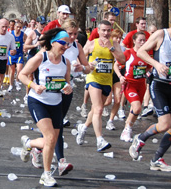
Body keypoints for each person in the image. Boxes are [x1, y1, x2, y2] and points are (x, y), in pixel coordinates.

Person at [130, 9, 171, 172]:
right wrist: (156, 64)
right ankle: (140, 138)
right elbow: (141, 51)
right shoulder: (161, 35)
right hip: (158, 84)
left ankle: (157, 159)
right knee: (164, 124)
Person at [18, 28, 73, 187]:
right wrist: (34, 86)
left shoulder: (65, 62)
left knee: (52, 140)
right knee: (50, 138)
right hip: (37, 101)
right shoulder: (40, 58)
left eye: (68, 45)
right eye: (63, 43)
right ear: (53, 42)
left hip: (56, 103)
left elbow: (66, 83)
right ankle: (46, 174)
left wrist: (67, 88)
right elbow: (21, 75)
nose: (65, 47)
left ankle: (29, 144)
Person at [76, 20, 125, 152]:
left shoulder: (114, 44)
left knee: (96, 109)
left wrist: (111, 48)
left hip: (107, 81)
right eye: (103, 30)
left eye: (108, 30)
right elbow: (78, 57)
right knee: (98, 109)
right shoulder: (92, 44)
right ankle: (100, 140)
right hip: (94, 79)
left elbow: (122, 60)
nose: (106, 33)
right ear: (98, 30)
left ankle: (84, 127)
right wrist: (86, 66)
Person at [51, 19, 90, 175]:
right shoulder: (53, 44)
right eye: (70, 34)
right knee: (53, 125)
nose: (73, 37)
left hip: (67, 87)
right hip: (51, 87)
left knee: (57, 123)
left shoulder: (77, 46)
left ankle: (54, 157)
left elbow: (87, 68)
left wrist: (82, 67)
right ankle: (55, 157)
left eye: (75, 34)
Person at [117, 31, 151, 142]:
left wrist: (146, 72)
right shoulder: (128, 53)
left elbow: (148, 66)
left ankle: (128, 128)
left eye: (144, 40)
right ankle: (127, 129)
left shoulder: (146, 55)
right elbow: (116, 65)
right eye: (140, 40)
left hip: (141, 85)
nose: (142, 42)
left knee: (135, 109)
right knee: (137, 107)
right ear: (134, 41)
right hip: (129, 84)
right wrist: (120, 76)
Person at [8, 20, 26, 92]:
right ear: (14, 27)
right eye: (17, 27)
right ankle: (11, 85)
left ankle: (17, 81)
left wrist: (25, 48)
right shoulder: (10, 34)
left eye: (20, 27)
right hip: (11, 55)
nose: (18, 28)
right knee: (12, 71)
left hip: (19, 54)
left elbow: (26, 42)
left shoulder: (23, 34)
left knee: (19, 70)